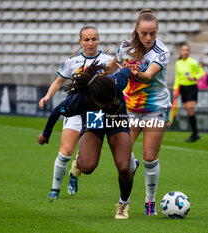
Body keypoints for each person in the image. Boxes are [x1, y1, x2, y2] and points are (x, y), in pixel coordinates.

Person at [75, 9, 170, 216]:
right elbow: (111, 67)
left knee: (150, 158)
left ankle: (150, 202)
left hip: (155, 108)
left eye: (152, 33)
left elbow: (147, 76)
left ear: (157, 31)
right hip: (129, 109)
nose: (148, 38)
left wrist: (137, 73)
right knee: (125, 161)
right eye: (144, 33)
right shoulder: (125, 47)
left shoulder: (162, 52)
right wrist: (96, 75)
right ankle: (130, 167)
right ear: (136, 30)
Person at [37, 61, 140, 219]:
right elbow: (57, 110)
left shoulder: (116, 82)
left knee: (124, 167)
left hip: (117, 120)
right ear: (93, 98)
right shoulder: (78, 100)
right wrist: (46, 134)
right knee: (88, 167)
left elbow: (126, 71)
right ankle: (80, 161)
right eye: (106, 102)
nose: (111, 102)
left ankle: (123, 204)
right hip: (94, 119)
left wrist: (131, 69)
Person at [39, 26, 114, 200]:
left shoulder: (108, 60)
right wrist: (48, 96)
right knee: (65, 152)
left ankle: (73, 176)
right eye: (86, 40)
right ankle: (55, 188)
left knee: (85, 156)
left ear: (99, 40)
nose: (90, 43)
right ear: (80, 42)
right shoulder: (73, 61)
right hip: (75, 112)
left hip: (95, 113)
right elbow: (58, 82)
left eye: (94, 39)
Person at [173, 43, 205, 142]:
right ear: (181, 52)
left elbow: (202, 72)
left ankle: (195, 133)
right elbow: (177, 77)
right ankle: (195, 133)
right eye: (183, 50)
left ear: (189, 52)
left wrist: (194, 77)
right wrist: (175, 88)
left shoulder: (193, 62)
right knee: (188, 111)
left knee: (190, 110)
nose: (185, 52)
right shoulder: (178, 63)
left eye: (187, 50)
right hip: (182, 88)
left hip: (191, 87)